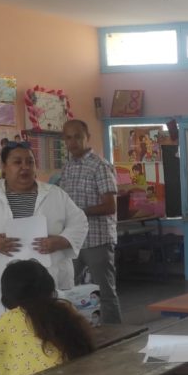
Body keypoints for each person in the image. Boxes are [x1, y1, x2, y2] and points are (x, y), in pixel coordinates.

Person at [0, 141, 88, 321]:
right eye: (17, 162)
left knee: (48, 325)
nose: (25, 167)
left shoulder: (55, 194)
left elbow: (79, 222)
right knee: (5, 328)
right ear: (4, 167)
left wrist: (62, 241)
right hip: (0, 276)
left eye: (30, 162)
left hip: (46, 275)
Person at [58, 119, 122, 324]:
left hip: (97, 240)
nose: (73, 142)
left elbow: (110, 206)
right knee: (67, 290)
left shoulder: (100, 166)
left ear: (88, 138)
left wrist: (79, 213)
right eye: (68, 138)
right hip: (72, 240)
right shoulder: (67, 168)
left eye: (78, 137)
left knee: (104, 292)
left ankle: (116, 334)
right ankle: (76, 332)